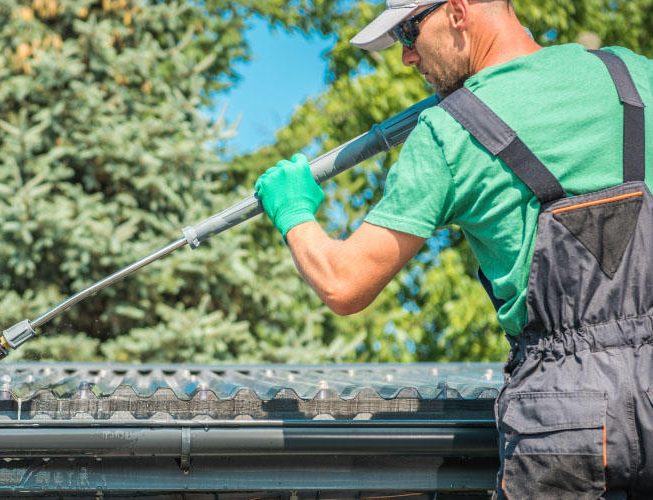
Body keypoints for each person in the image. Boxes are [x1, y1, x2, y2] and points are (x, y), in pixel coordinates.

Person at [254, 0, 653, 497]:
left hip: (567, 416)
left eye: (408, 32)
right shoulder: (634, 76)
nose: (407, 56)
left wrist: (292, 211)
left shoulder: (450, 132)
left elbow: (343, 283)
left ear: (458, 12)